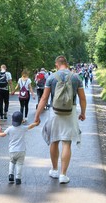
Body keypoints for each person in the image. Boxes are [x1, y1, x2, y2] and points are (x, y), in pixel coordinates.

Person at [33, 55, 86, 184]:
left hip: (55, 112)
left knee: (54, 140)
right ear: (66, 64)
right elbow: (82, 98)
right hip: (70, 111)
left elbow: (44, 99)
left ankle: (55, 170)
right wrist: (83, 113)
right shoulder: (76, 77)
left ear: (57, 64)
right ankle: (63, 174)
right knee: (67, 143)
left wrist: (37, 116)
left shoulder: (51, 77)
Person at [0, 111, 38, 185]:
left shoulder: (10, 128)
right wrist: (36, 123)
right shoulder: (23, 128)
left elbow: (2, 134)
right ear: (21, 120)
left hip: (12, 150)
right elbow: (30, 126)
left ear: (12, 120)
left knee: (12, 162)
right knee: (19, 164)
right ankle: (18, 178)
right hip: (21, 150)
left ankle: (10, 174)